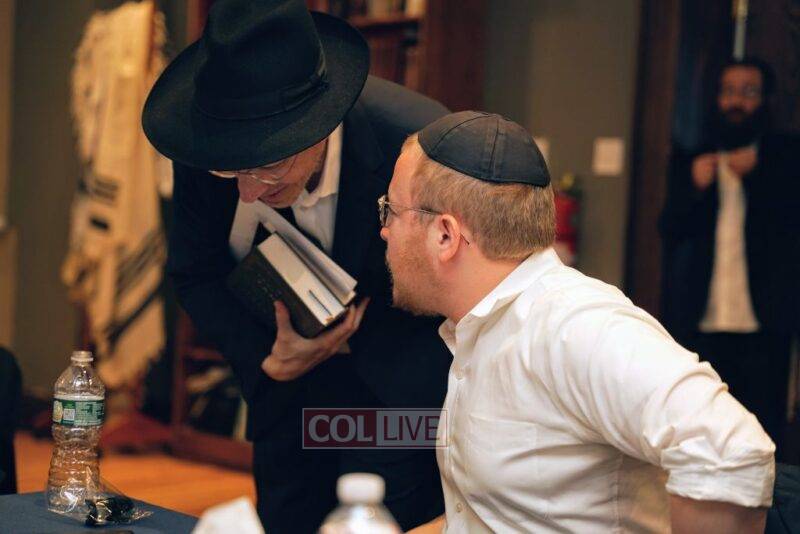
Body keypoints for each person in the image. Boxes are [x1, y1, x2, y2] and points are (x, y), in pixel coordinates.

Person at [380, 110, 776, 532]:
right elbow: (489, 518)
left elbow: (731, 453)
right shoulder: (479, 328)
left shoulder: (575, 326)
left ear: (445, 235)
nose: (384, 230)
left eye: (391, 211)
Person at [141, 1, 451, 532]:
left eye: (268, 166)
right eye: (230, 172)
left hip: (394, 395)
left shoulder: (418, 145)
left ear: (320, 125)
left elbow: (455, 289)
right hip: (285, 395)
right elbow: (194, 273)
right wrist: (270, 359)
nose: (246, 192)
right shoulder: (206, 146)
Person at [660, 57, 800, 456]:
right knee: (701, 427)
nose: (736, 102)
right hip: (701, 319)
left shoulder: (785, 157)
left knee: (763, 429)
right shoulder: (693, 158)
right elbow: (669, 229)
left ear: (766, 99)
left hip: (765, 322)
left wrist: (760, 175)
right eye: (728, 91)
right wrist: (695, 187)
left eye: (748, 92)